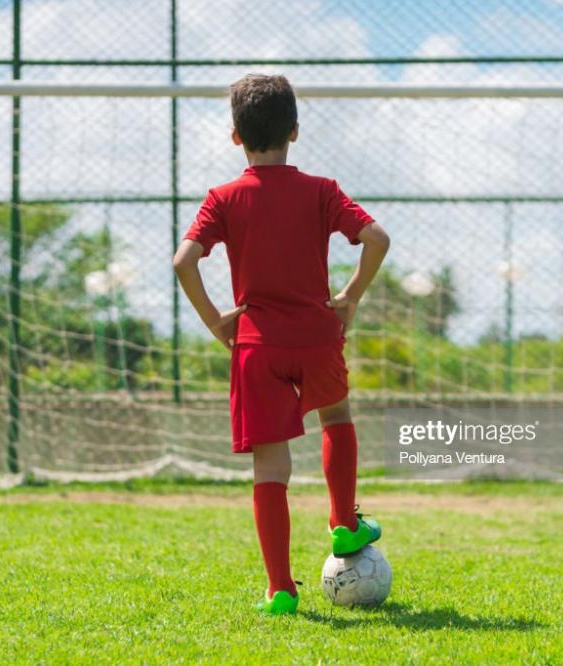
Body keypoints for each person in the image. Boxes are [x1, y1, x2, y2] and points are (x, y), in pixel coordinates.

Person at [172, 74, 391, 615]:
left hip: (256, 344)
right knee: (335, 416)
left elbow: (183, 261)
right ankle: (343, 523)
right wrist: (350, 297)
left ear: (234, 137)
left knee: (270, 468)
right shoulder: (321, 190)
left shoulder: (222, 198)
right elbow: (377, 239)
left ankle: (280, 590)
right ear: (294, 130)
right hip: (317, 334)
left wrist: (216, 322)